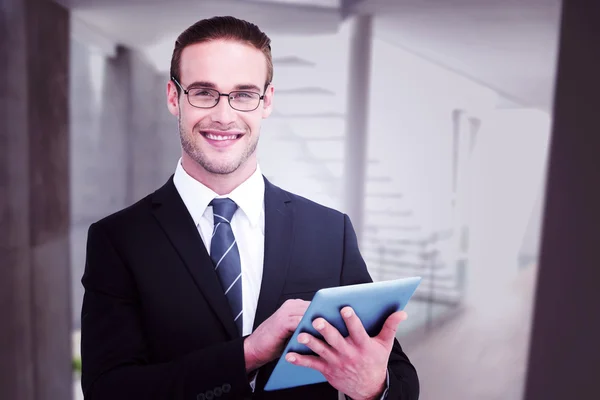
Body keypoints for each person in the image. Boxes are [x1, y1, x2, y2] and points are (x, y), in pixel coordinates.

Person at [80, 16, 419, 400]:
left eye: (243, 94)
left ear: (267, 101)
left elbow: (398, 375)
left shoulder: (329, 232)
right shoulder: (120, 239)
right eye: (204, 92)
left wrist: (374, 386)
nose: (224, 116)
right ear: (174, 98)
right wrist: (249, 353)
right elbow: (107, 390)